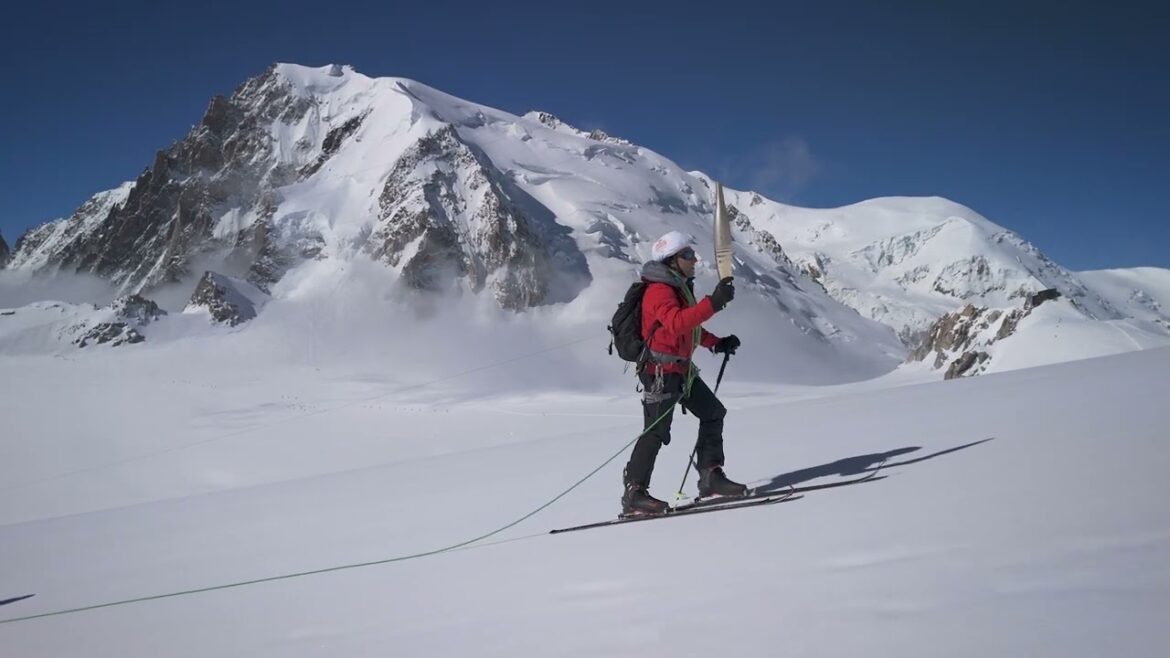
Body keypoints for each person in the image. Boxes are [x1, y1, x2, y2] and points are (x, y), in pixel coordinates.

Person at [622, 230, 747, 516]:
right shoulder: (659, 290)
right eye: (687, 255)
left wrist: (716, 343)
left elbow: (687, 328)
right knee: (655, 433)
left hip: (681, 371)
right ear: (672, 260)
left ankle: (710, 475)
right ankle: (634, 494)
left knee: (713, 412)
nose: (694, 259)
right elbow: (676, 323)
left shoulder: (677, 287)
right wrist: (712, 303)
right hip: (659, 373)